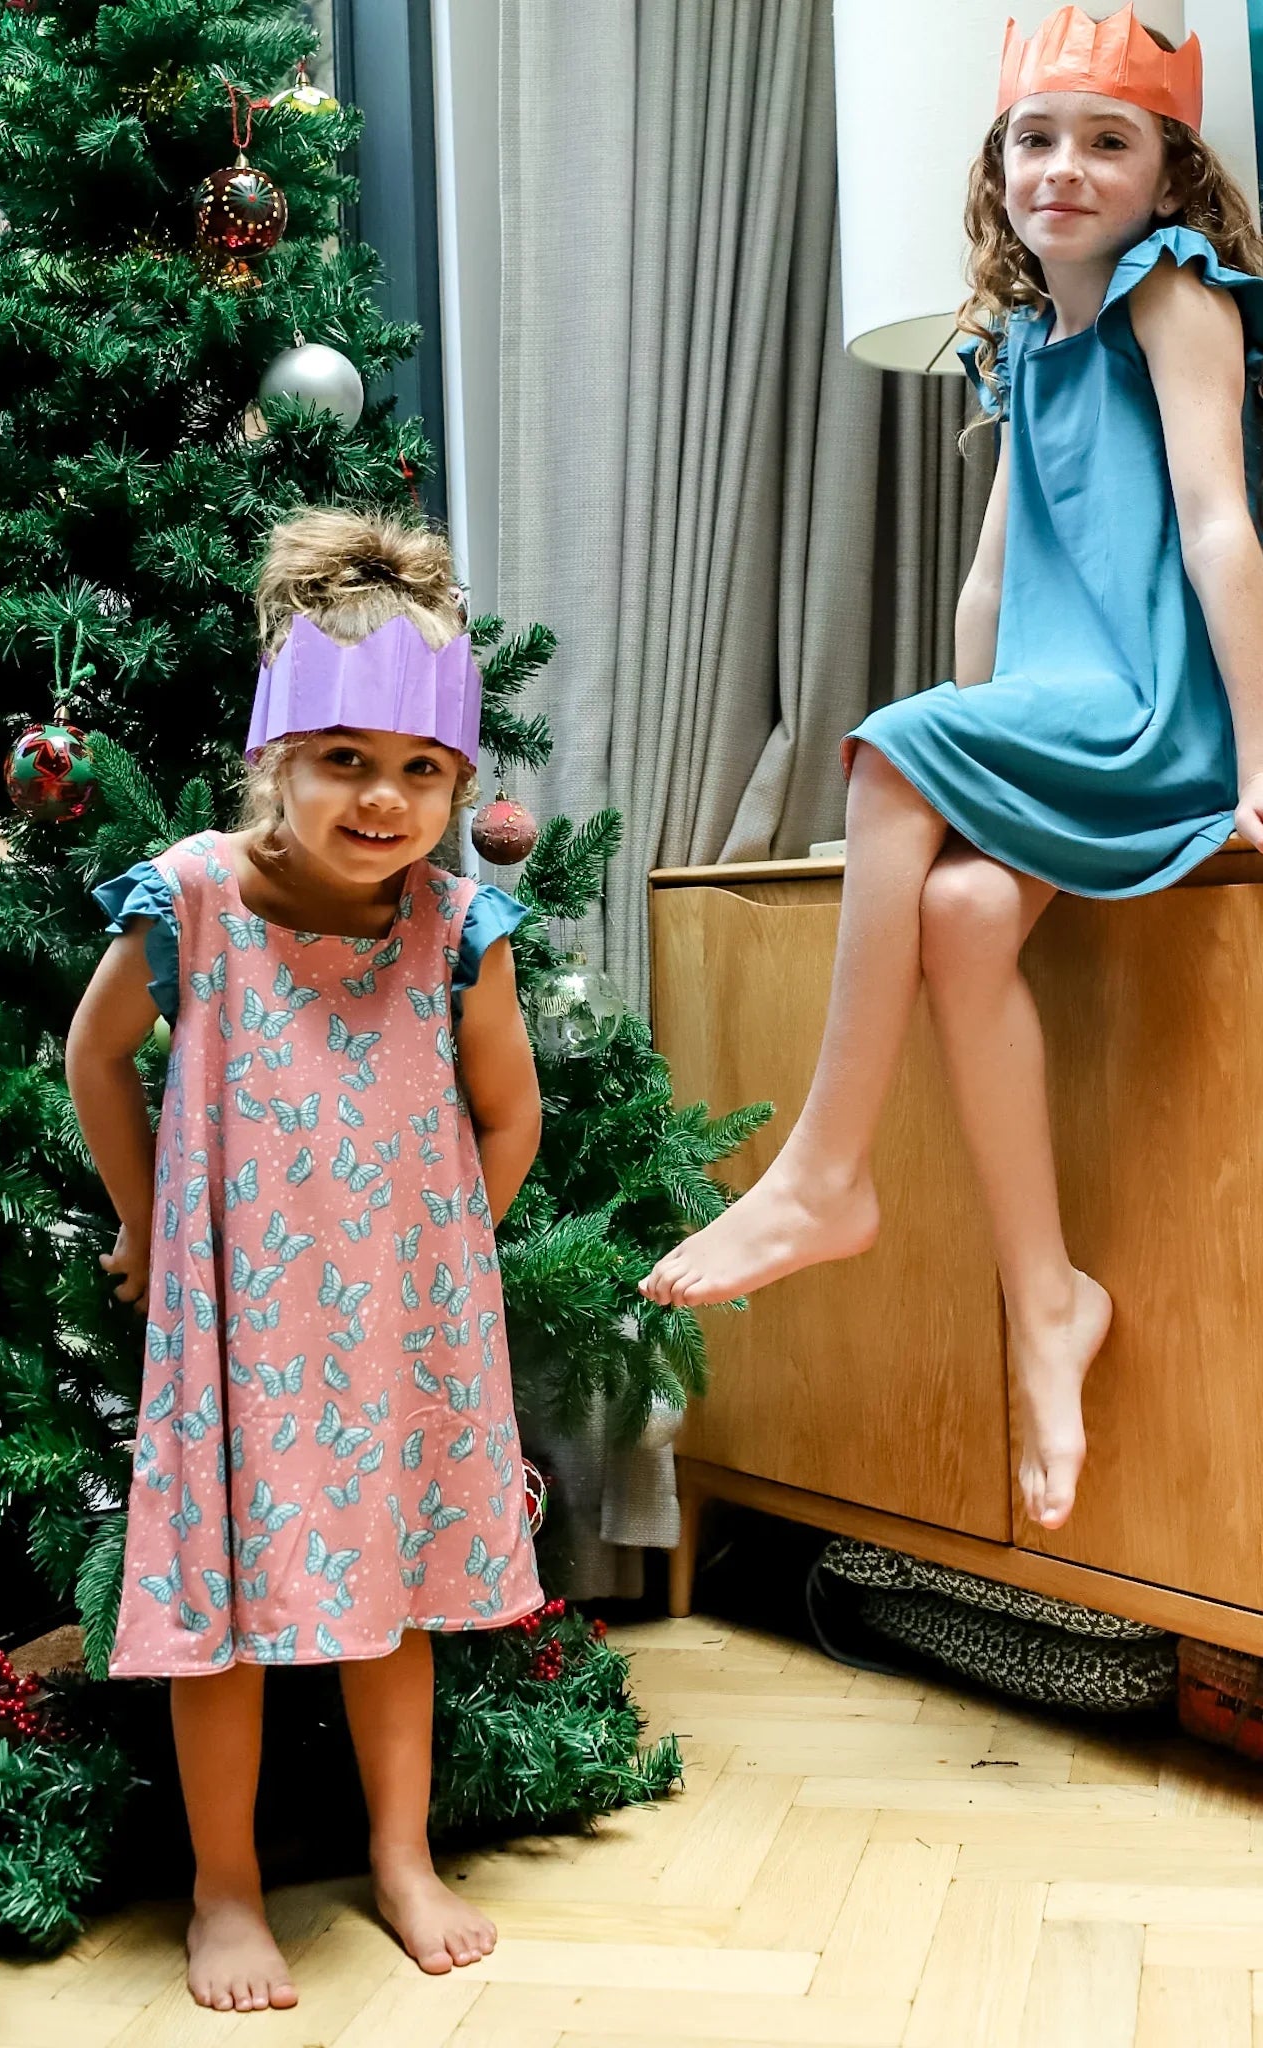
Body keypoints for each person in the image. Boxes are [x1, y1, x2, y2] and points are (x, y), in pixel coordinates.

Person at [642, 4, 1263, 1532]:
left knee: (887, 741)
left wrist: (1259, 757)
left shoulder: (1174, 295)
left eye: (1107, 140)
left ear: (1170, 169)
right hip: (1056, 713)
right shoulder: (1017, 346)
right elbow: (990, 582)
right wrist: (965, 783)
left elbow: (1218, 526)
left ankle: (823, 1172)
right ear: (998, 163)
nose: (1065, 166)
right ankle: (1049, 1299)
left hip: (1152, 710)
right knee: (966, 921)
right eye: (1036, 138)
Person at [66, 508, 544, 2013]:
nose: (384, 798)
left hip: (397, 1329)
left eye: (421, 771)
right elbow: (96, 1057)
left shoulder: (459, 928)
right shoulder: (194, 897)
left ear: (458, 785)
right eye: (345, 759)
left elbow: (507, 1109)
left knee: (392, 1598)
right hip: (234, 1328)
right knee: (228, 1622)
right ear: (276, 759)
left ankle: (399, 1857)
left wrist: (452, 1254)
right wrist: (147, 1223)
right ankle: (224, 1884)